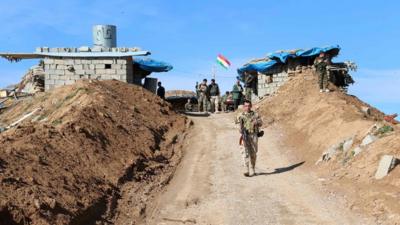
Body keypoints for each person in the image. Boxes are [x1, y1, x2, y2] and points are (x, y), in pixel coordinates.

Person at [237, 100, 263, 177]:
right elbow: (237, 124)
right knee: (245, 152)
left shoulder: (255, 114)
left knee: (254, 153)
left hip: (254, 135)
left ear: (251, 106)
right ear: (243, 107)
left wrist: (256, 122)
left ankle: (253, 167)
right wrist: (240, 129)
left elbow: (261, 123)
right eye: (246, 106)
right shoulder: (240, 115)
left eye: (249, 106)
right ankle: (246, 170)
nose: (247, 107)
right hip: (245, 136)